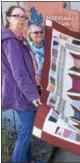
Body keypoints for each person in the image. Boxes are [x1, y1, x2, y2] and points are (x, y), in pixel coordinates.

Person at [1, 5, 42, 163]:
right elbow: (19, 72)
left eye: (23, 17)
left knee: (27, 129)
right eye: (16, 16)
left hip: (25, 92)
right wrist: (32, 95)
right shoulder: (10, 41)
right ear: (8, 18)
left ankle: (28, 160)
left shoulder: (20, 39)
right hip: (21, 94)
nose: (20, 20)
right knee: (26, 130)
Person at [28, 23, 45, 94]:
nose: (39, 34)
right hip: (33, 83)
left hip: (48, 81)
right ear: (30, 35)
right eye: (36, 32)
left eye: (41, 32)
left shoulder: (49, 45)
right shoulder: (26, 47)